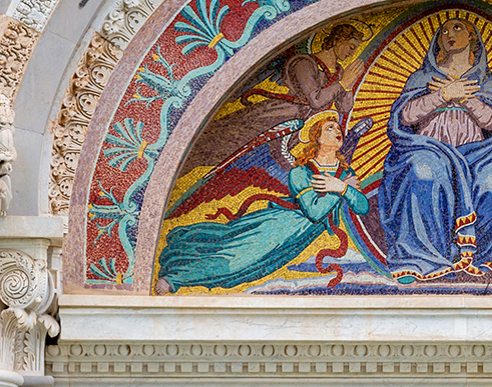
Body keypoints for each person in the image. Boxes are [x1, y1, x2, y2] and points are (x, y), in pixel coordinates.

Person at [380, 15, 492, 281]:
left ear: (473, 39)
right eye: (443, 31)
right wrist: (442, 95)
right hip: (428, 149)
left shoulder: (486, 81)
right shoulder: (422, 77)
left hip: (477, 154)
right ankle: (421, 259)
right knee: (424, 172)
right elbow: (405, 118)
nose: (448, 34)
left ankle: (488, 258)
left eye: (457, 28)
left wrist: (465, 97)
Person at [156, 110, 368, 291]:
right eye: (330, 128)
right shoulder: (301, 171)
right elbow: (314, 212)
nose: (338, 130)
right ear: (317, 138)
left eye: (338, 128)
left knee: (251, 271)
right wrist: (340, 188)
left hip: (296, 239)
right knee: (236, 260)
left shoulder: (344, 172)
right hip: (276, 227)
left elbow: (362, 206)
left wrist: (341, 187)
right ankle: (175, 278)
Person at [182, 22, 368, 175]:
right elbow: (315, 100)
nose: (351, 53)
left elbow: (345, 107)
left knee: (243, 161)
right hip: (276, 117)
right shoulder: (304, 63)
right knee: (218, 146)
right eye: (351, 47)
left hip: (296, 130)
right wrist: (343, 84)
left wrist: (349, 84)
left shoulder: (339, 73)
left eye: (355, 49)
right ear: (337, 40)